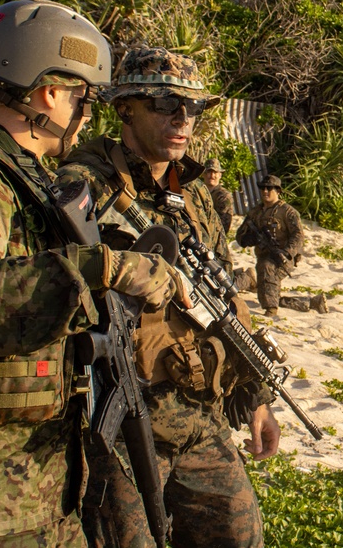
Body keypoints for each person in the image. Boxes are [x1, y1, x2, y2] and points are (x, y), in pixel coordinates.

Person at [0, 0, 184, 546]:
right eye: (83, 98)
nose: (85, 115)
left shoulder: (23, 177)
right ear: (47, 94)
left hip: (34, 496)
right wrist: (100, 269)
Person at [55, 46, 279, 548]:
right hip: (123, 421)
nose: (182, 119)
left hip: (201, 413)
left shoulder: (194, 193)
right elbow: (59, 283)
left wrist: (256, 397)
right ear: (125, 108)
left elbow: (223, 302)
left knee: (239, 536)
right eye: (165, 104)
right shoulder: (83, 184)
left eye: (192, 108)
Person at [236, 175, 326, 316]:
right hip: (263, 255)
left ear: (278, 191)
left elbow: (298, 235)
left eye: (269, 188)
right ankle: (311, 303)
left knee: (266, 272)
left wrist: (287, 252)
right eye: (263, 188)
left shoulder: (288, 212)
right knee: (269, 290)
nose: (265, 191)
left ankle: (271, 309)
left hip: (283, 258)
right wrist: (250, 238)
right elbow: (240, 236)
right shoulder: (255, 212)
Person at [204, 157, 235, 234]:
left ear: (220, 175)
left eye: (215, 172)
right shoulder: (199, 192)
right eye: (209, 172)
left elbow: (223, 224)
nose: (212, 175)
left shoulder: (224, 195)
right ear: (203, 174)